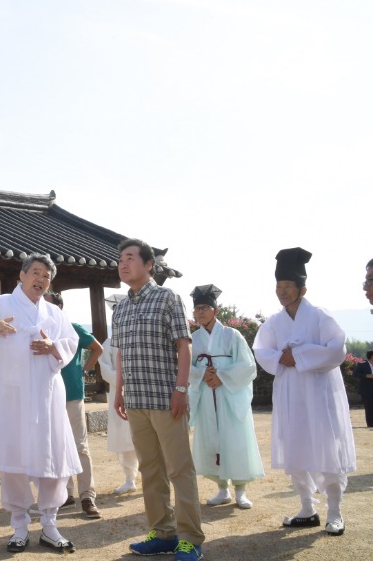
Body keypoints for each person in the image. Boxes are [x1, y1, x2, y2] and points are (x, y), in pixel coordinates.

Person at [0, 253, 81, 553]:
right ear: (22, 275)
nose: (41, 280)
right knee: (14, 455)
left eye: (46, 277)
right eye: (36, 273)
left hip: (47, 394)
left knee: (50, 454)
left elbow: (71, 341)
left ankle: (50, 524)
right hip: (12, 394)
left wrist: (53, 346)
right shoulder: (0, 303)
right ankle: (18, 526)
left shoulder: (54, 313)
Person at [252, 247, 357, 536]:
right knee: (294, 445)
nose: (282, 292)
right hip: (289, 393)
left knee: (327, 448)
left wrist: (299, 355)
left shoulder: (320, 317)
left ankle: (334, 511)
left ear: (302, 288)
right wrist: (281, 359)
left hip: (319, 393)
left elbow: (337, 349)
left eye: (287, 286)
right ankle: (307, 507)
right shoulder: (274, 322)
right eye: (278, 287)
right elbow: (262, 350)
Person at [111, 239, 204, 561]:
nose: (123, 264)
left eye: (130, 258)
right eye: (120, 259)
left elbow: (184, 345)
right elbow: (121, 352)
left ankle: (190, 538)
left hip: (167, 398)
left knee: (180, 469)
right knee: (150, 470)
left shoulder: (168, 299)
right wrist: (119, 390)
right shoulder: (120, 307)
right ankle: (162, 532)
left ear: (149, 265)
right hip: (136, 399)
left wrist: (181, 390)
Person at [187, 284, 264, 509]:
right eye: (197, 308)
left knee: (235, 439)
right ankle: (222, 490)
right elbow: (184, 368)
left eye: (205, 307)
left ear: (216, 310)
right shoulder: (193, 339)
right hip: (206, 396)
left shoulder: (232, 335)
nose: (200, 312)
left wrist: (221, 376)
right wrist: (202, 374)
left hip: (230, 397)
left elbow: (248, 366)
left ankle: (241, 491)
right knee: (211, 439)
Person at [45, 291, 104, 519]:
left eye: (49, 305)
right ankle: (65, 494)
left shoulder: (74, 327)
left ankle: (87, 495)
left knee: (79, 445)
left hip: (72, 393)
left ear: (59, 307)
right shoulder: (43, 330)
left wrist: (85, 369)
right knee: (57, 445)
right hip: (49, 395)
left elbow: (97, 347)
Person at [98, 293, 139, 495]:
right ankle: (130, 478)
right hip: (118, 393)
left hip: (140, 392)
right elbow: (104, 368)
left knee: (146, 435)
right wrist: (121, 379)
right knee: (124, 437)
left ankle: (153, 476)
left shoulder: (139, 338)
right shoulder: (109, 342)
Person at [355, 349, 373, 428]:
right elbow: (355, 374)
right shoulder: (362, 364)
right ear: (372, 356)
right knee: (369, 408)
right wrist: (366, 376)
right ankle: (370, 425)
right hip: (366, 391)